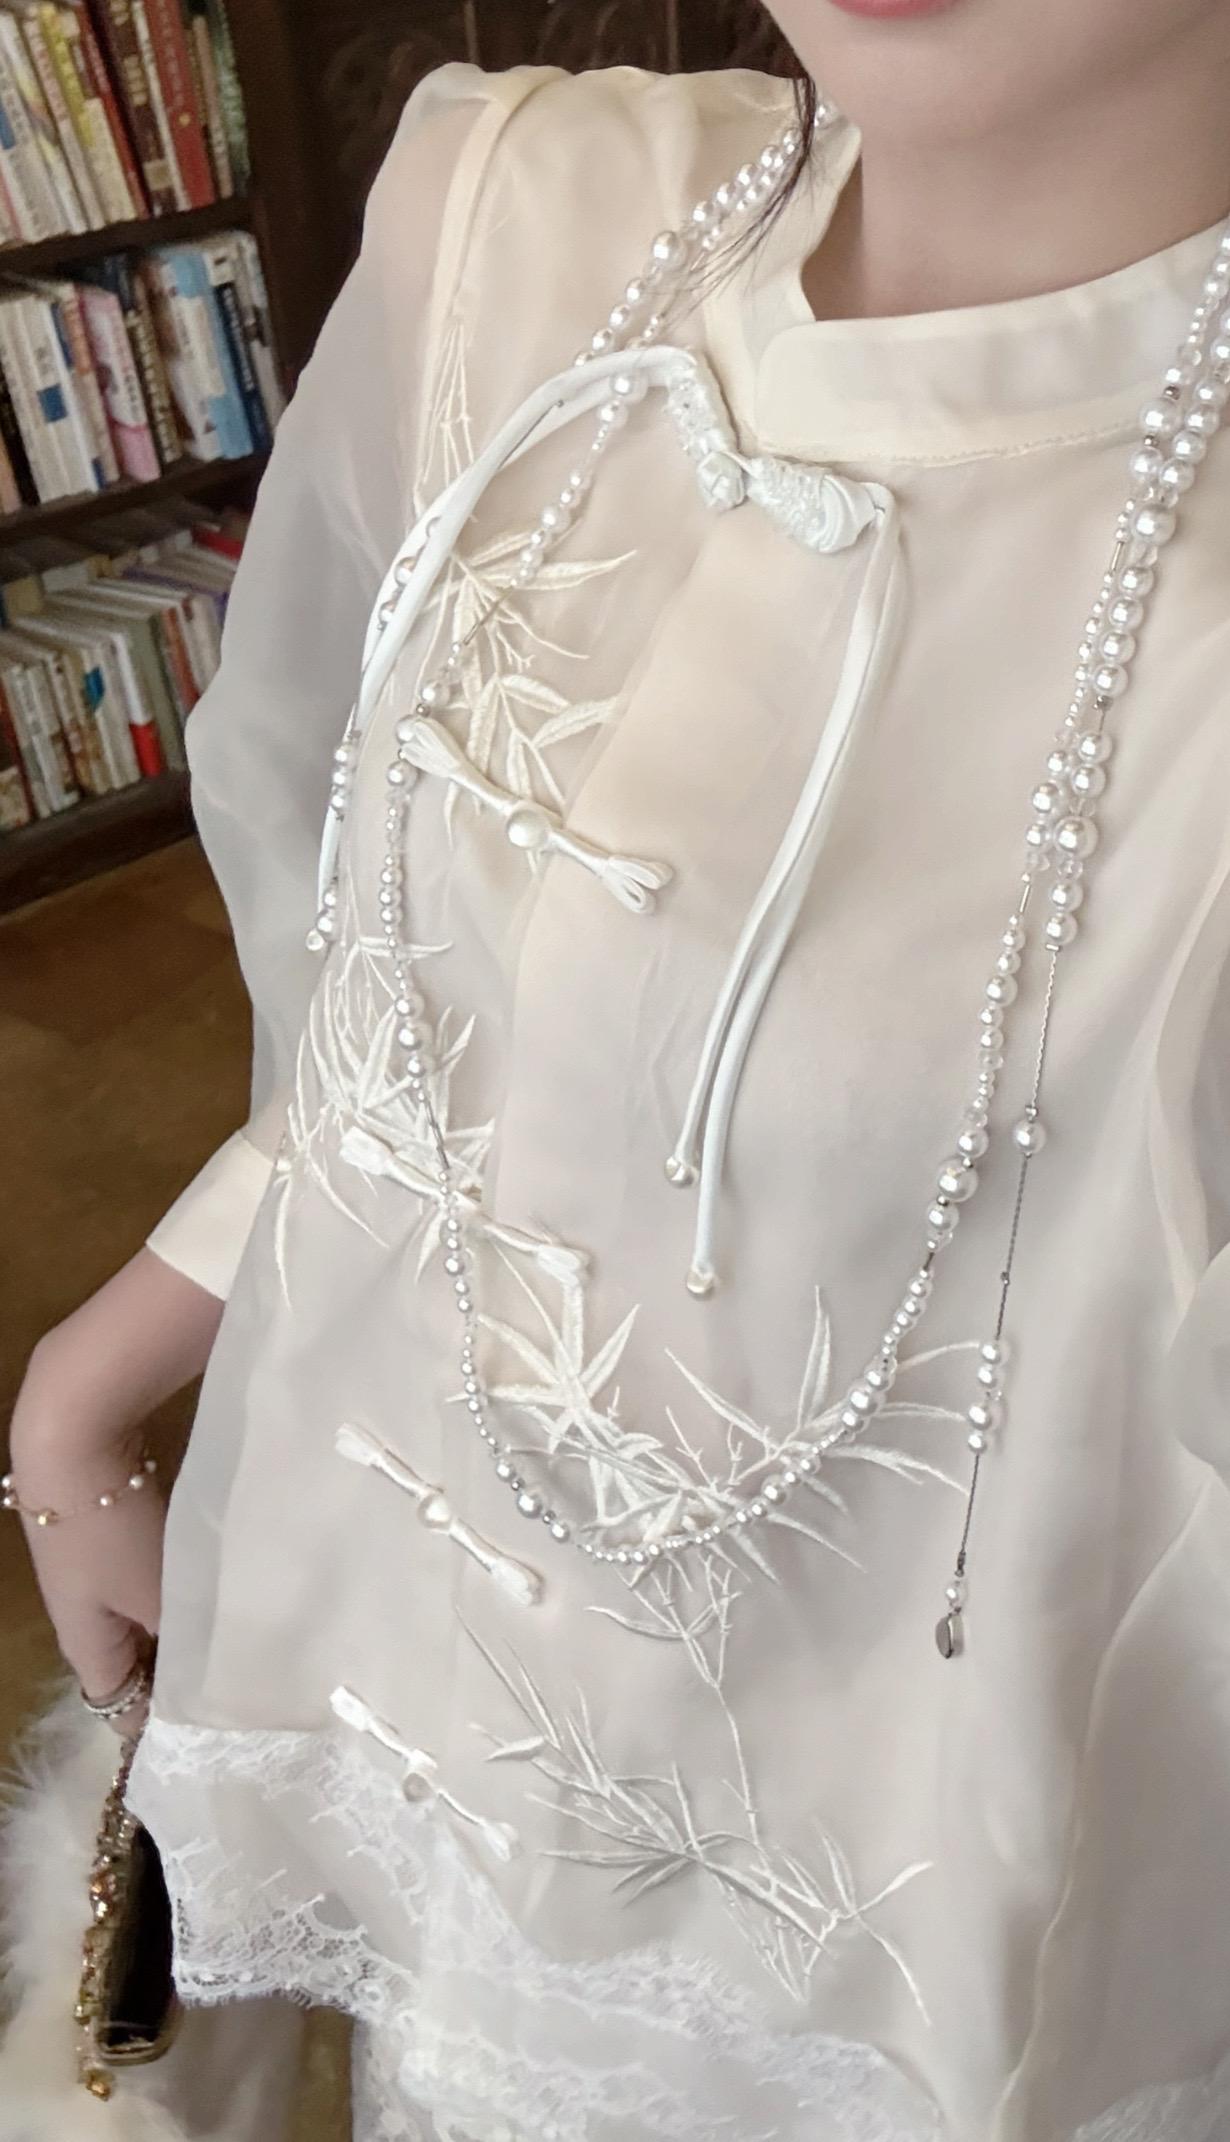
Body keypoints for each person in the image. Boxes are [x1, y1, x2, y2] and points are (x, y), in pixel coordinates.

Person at [6, 0, 1230, 2135]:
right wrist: (111, 1356)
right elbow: (423, 973)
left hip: (902, 1893)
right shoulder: (523, 224)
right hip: (423, 1706)